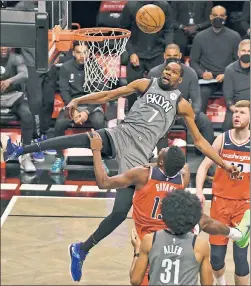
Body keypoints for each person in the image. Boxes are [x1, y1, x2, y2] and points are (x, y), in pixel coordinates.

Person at [2, 61, 243, 280]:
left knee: (119, 212)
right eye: (166, 70)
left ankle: (80, 249)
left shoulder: (182, 105)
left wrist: (223, 164)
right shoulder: (145, 84)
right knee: (80, 140)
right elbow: (110, 94)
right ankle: (21, 150)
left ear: (180, 80)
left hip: (138, 154)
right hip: (120, 134)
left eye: (173, 72)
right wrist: (79, 99)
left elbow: (200, 142)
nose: (168, 73)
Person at [68, 130, 250, 283]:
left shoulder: (142, 174)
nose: (163, 148)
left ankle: (82, 249)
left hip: (149, 240)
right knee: (201, 220)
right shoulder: (183, 176)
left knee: (137, 278)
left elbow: (103, 182)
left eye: (164, 151)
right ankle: (236, 234)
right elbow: (182, 164)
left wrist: (96, 150)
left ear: (161, 162)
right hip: (173, 233)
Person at [196, 100, 250, 286]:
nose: (237, 115)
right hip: (220, 204)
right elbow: (203, 167)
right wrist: (199, 192)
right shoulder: (223, 139)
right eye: (235, 112)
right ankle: (221, 282)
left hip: (244, 207)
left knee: (241, 259)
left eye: (242, 113)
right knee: (217, 258)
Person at [130, 190, 213, 286]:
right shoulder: (201, 245)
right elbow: (208, 283)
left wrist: (137, 250)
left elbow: (135, 281)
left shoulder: (150, 240)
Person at [50, 41, 106, 173]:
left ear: (89, 53)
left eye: (85, 52)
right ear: (74, 53)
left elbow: (98, 94)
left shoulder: (95, 67)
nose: (82, 55)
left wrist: (87, 111)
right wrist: (73, 110)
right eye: (79, 52)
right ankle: (59, 157)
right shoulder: (65, 67)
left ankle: (101, 159)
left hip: (91, 104)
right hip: (72, 104)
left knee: (99, 122)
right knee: (59, 123)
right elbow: (64, 91)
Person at [148, 43, 215, 151]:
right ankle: (163, 159)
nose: (172, 58)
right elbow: (149, 99)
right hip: (162, 113)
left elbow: (196, 100)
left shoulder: (190, 73)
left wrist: (193, 114)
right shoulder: (154, 72)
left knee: (205, 121)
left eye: (175, 56)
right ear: (164, 56)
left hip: (183, 113)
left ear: (180, 56)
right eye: (169, 56)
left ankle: (209, 158)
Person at [15, 1, 58, 162]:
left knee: (49, 100)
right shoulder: (22, 6)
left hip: (50, 60)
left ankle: (44, 135)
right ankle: (36, 139)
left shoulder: (53, 5)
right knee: (36, 102)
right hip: (31, 62)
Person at [120, 0, 173, 110]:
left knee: (159, 89)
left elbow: (168, 30)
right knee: (132, 89)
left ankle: (157, 117)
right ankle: (132, 116)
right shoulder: (131, 5)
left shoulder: (164, 5)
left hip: (157, 52)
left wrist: (167, 50)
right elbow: (124, 31)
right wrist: (131, 52)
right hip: (136, 53)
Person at [190, 5, 241, 113]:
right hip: (207, 79)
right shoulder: (200, 37)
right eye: (215, 15)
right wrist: (202, 73)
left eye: (221, 16)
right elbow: (193, 61)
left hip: (228, 78)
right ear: (210, 17)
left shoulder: (234, 36)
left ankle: (233, 125)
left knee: (236, 93)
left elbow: (238, 61)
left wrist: (226, 74)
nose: (218, 18)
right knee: (201, 94)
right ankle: (199, 125)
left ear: (226, 17)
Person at [0, 46, 35, 172]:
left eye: (6, 45)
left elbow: (24, 75)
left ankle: (25, 155)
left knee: (27, 115)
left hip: (12, 96)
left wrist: (10, 80)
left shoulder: (16, 58)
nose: (3, 47)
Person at [222, 39, 250, 131]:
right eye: (244, 51)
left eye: (249, 51)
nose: (246, 53)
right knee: (226, 127)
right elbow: (228, 96)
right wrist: (238, 111)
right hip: (236, 107)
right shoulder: (230, 70)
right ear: (238, 53)